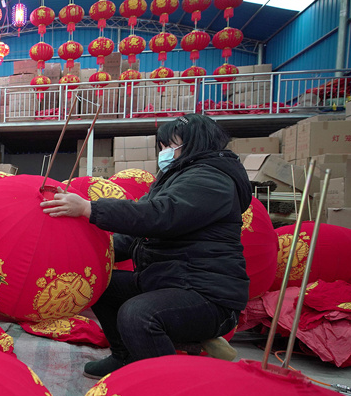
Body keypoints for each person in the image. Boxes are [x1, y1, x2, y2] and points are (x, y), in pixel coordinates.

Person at [41, 114, 252, 378]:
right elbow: (138, 236)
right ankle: (124, 356)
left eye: (169, 146)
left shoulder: (212, 180)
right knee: (100, 284)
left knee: (138, 314)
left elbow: (157, 216)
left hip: (207, 294)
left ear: (194, 143)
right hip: (168, 280)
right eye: (161, 147)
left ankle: (168, 386)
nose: (163, 152)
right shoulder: (175, 177)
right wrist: (88, 257)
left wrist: (88, 208)